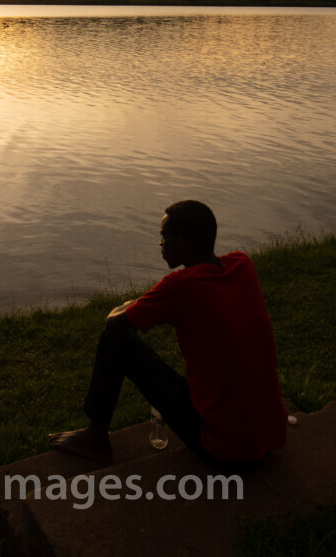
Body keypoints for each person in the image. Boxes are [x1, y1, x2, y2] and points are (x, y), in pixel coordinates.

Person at [48, 200, 286, 466]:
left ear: (182, 243)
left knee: (113, 339)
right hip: (270, 434)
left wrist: (131, 305)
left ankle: (95, 438)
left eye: (164, 239)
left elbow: (114, 324)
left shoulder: (179, 287)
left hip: (224, 449)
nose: (161, 245)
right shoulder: (243, 265)